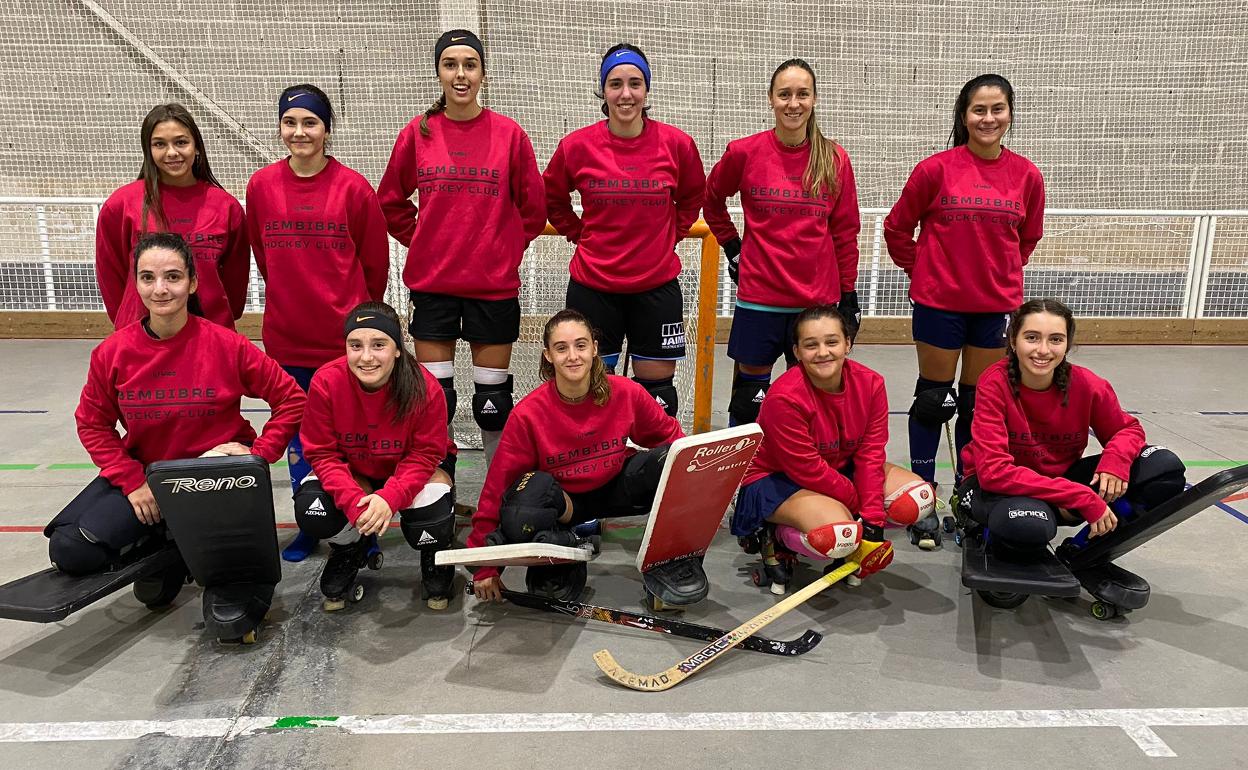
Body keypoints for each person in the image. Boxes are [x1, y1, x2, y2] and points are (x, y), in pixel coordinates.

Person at [47, 233, 305, 574]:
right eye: (148, 278)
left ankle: (179, 540)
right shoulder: (113, 353)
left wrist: (259, 454)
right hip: (150, 474)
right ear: (136, 284)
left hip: (214, 474)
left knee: (233, 572)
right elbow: (93, 424)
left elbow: (292, 399)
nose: (160, 290)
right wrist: (134, 482)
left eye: (173, 277)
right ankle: (165, 544)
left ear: (193, 283)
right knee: (70, 550)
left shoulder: (227, 345)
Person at [883, 74, 1046, 548]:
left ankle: (969, 496)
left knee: (978, 404)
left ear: (1009, 114)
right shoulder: (936, 169)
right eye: (979, 109)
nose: (988, 118)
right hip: (939, 305)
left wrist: (999, 273)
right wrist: (927, 271)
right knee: (935, 399)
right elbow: (897, 229)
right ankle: (923, 497)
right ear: (963, 116)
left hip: (994, 308)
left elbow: (1027, 238)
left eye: (997, 109)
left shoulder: (1027, 175)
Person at [378, 29, 546, 463]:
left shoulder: (509, 134)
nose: (460, 74)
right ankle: (439, 488)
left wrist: (503, 250)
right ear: (438, 72)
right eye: (450, 64)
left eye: (469, 65)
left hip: (491, 287)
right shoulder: (417, 133)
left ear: (483, 74)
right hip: (434, 285)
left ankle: (496, 491)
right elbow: (391, 201)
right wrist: (425, 242)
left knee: (493, 403)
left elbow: (534, 208)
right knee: (437, 403)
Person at [246, 83, 391, 562]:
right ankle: (309, 523)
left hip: (342, 344)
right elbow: (263, 258)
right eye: (290, 122)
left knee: (350, 442)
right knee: (298, 440)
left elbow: (374, 268)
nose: (299, 132)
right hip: (288, 342)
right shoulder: (261, 187)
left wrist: (356, 328)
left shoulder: (352, 188)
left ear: (327, 129)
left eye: (310, 122)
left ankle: (360, 528)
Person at [467, 309, 684, 603]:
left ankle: (672, 562)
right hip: (565, 505)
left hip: (616, 488)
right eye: (561, 348)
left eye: (580, 345)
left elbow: (672, 438)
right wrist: (486, 566)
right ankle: (568, 548)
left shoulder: (626, 392)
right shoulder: (528, 414)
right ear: (547, 355)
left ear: (594, 348)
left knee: (672, 461)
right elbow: (497, 488)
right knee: (523, 506)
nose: (572, 356)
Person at [544, 43, 705, 419]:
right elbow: (550, 197)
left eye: (635, 83)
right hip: (594, 287)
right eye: (615, 84)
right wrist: (577, 233)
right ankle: (600, 469)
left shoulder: (677, 145)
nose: (626, 93)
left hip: (656, 286)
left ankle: (652, 470)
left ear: (647, 90)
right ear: (603, 90)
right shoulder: (577, 146)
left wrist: (671, 236)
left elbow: (694, 194)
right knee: (592, 386)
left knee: (658, 395)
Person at [957, 298, 1186, 555]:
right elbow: (994, 472)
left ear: (1067, 344)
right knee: (1028, 524)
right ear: (1013, 341)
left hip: (1058, 484)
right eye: (1032, 338)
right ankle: (991, 531)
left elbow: (1127, 430)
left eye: (1055, 339)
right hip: (997, 489)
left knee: (1164, 467)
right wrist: (1081, 497)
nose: (1043, 350)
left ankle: (1083, 549)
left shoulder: (1087, 384)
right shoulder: (994, 383)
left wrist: (1115, 463)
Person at [704, 58, 861, 427]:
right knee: (749, 400)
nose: (794, 103)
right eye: (785, 94)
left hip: (815, 303)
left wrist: (849, 294)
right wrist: (733, 247)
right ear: (771, 100)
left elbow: (845, 232)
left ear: (814, 99)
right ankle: (743, 476)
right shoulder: (744, 152)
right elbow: (711, 200)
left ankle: (805, 475)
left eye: (802, 94)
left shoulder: (835, 159)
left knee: (811, 401)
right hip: (760, 298)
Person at [734, 305, 932, 593]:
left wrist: (874, 520)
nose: (823, 352)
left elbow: (871, 454)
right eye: (811, 345)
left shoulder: (871, 384)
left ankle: (842, 528)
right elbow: (807, 470)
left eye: (832, 342)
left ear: (847, 344)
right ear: (797, 352)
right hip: (778, 479)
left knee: (917, 499)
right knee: (840, 535)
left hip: (839, 468)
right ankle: (774, 536)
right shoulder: (784, 397)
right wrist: (863, 512)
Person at [296, 301, 458, 610]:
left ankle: (434, 551)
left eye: (379, 345)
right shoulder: (326, 382)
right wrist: (354, 507)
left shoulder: (425, 387)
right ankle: (349, 548)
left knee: (432, 506)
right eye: (355, 345)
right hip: (358, 467)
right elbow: (323, 454)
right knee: (313, 507)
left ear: (397, 349)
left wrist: (390, 497)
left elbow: (425, 454)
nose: (366, 357)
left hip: (411, 467)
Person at [95, 104, 250, 331]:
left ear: (196, 147)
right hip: (141, 335)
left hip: (211, 334)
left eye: (181, 142)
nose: (172, 153)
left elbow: (235, 283)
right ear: (148, 150)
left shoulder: (226, 207)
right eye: (160, 144)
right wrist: (133, 318)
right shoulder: (122, 205)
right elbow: (112, 276)